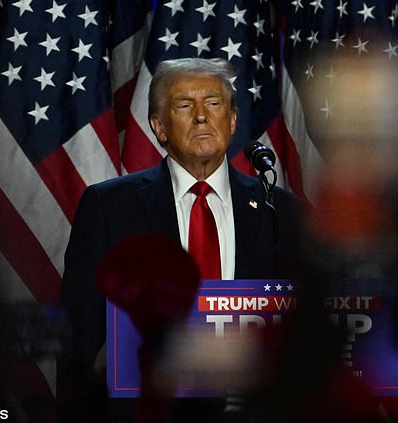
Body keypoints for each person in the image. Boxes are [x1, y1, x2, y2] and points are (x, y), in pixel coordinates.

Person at [58, 57, 302, 422]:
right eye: (185, 105)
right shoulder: (109, 207)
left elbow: (305, 333)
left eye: (214, 103)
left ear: (232, 120)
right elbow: (79, 334)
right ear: (159, 126)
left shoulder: (280, 211)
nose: (202, 116)